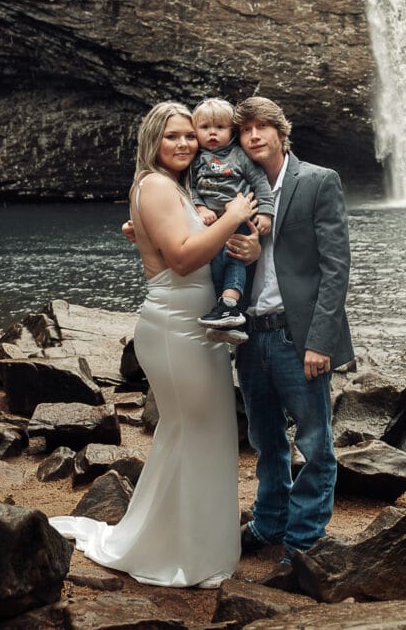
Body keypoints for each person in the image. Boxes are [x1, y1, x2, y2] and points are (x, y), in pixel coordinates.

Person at [49, 101, 259, 588]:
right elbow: (183, 261)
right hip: (175, 327)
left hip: (191, 324)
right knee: (197, 432)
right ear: (152, 141)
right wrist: (232, 217)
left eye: (190, 135)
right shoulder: (158, 185)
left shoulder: (172, 188)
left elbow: (171, 242)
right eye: (173, 136)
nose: (185, 143)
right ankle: (184, 554)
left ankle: (187, 545)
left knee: (192, 436)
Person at [230, 97, 354, 571]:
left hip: (295, 336)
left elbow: (335, 267)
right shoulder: (239, 191)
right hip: (252, 334)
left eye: (265, 127)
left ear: (283, 133)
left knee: (316, 443)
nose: (255, 135)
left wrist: (319, 341)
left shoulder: (318, 181)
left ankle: (302, 541)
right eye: (247, 130)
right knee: (265, 440)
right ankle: (269, 523)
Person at [189, 98, 275, 341]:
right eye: (205, 128)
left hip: (239, 221)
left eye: (220, 127)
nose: (212, 133)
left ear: (232, 132)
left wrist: (266, 213)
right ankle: (229, 319)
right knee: (215, 267)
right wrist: (200, 207)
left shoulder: (240, 156)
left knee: (234, 259)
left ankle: (229, 303)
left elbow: (261, 184)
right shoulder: (196, 159)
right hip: (211, 223)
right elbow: (191, 188)